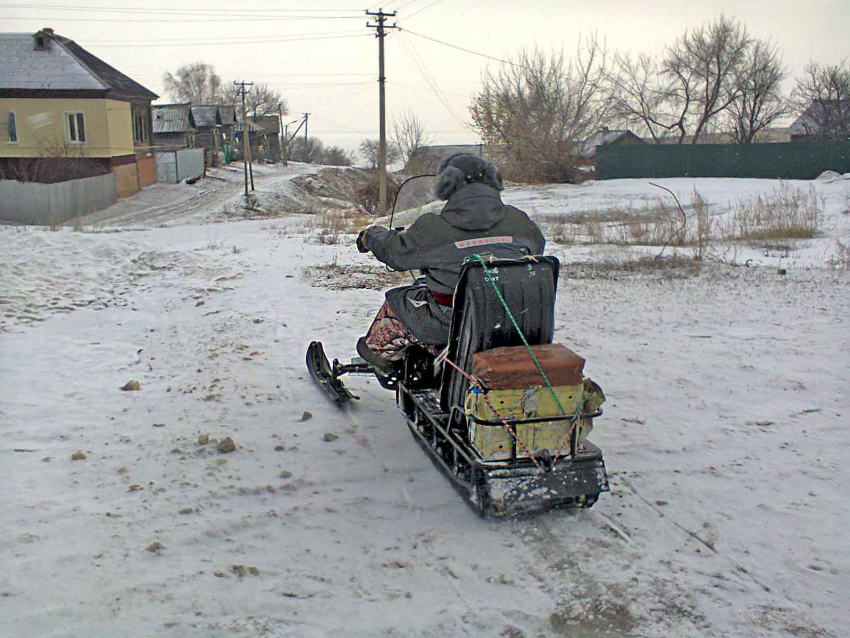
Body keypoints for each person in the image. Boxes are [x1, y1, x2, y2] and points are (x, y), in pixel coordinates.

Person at [355, 152, 546, 371]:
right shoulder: (520, 220)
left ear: (446, 185)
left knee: (398, 301)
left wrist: (371, 236)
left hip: (451, 322)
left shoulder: (435, 227)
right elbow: (537, 249)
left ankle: (381, 356)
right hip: (515, 320)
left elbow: (396, 253)